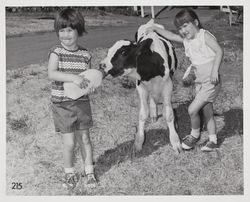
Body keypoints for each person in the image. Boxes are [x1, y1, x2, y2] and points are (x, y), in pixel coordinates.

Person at [146, 8, 223, 151]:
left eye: (185, 25)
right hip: (200, 83)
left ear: (195, 22)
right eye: (180, 28)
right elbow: (170, 35)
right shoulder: (187, 41)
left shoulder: (203, 36)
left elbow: (219, 51)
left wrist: (214, 71)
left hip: (211, 82)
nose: (182, 30)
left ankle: (194, 135)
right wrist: (155, 28)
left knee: (192, 110)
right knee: (207, 112)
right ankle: (213, 140)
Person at [47, 7, 97, 189]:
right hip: (62, 104)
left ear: (79, 30)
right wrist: (73, 77)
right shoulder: (56, 52)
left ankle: (89, 171)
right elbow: (52, 74)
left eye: (69, 30)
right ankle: (69, 173)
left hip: (82, 104)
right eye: (61, 30)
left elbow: (88, 79)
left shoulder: (85, 55)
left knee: (85, 139)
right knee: (69, 142)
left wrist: (89, 87)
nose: (65, 34)